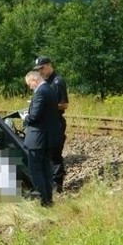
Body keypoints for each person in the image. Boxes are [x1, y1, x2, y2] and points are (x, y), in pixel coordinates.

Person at [22, 70, 60, 207]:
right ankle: (49, 199)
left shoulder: (40, 92)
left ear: (34, 80)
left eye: (29, 84)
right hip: (49, 138)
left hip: (37, 139)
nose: (30, 87)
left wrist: (25, 117)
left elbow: (34, 116)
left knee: (36, 170)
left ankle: (43, 201)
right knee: (46, 170)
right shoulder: (50, 90)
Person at [33, 56, 69, 192]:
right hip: (46, 123)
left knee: (55, 155)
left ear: (49, 65)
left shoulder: (57, 81)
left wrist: (46, 106)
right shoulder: (44, 82)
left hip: (56, 123)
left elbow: (64, 104)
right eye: (38, 69)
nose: (40, 71)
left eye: (42, 68)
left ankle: (57, 187)